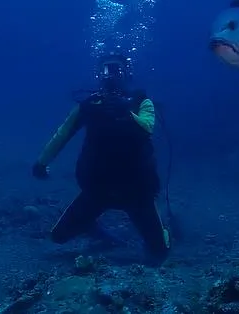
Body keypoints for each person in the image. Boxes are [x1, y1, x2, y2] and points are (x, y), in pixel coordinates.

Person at [32, 54, 170, 265]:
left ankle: (162, 232)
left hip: (137, 192)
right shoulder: (89, 105)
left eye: (117, 69)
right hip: (97, 189)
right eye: (106, 70)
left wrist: (125, 111)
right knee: (58, 237)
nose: (111, 75)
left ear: (126, 73)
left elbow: (147, 128)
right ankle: (91, 227)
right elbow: (63, 134)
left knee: (159, 251)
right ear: (99, 75)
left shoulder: (142, 101)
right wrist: (42, 162)